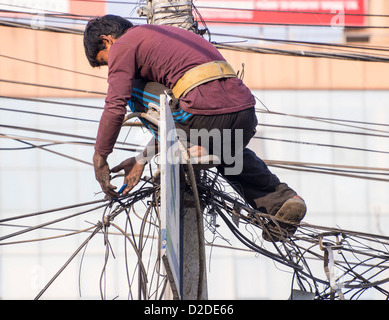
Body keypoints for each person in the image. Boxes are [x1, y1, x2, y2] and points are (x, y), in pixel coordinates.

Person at [83, 15, 306, 240]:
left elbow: (115, 105)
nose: (111, 66)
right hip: (244, 115)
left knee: (128, 89)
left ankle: (188, 148)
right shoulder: (165, 35)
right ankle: (283, 201)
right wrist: (141, 159)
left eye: (105, 61)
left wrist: (100, 157)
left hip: (202, 114)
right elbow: (169, 111)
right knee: (227, 154)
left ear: (107, 40)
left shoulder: (123, 44)